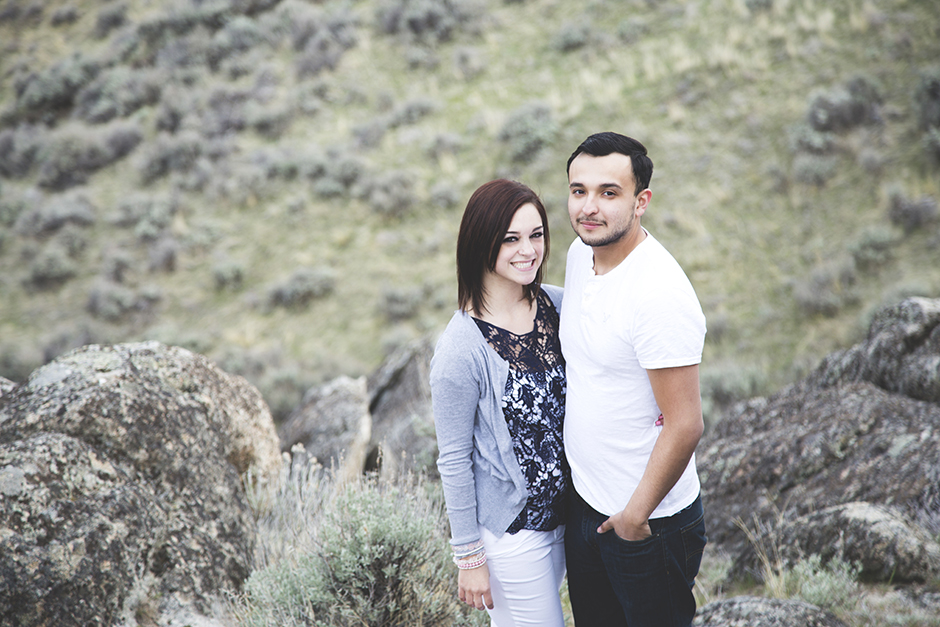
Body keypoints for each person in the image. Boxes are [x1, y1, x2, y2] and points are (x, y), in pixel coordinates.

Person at [559, 132, 708, 627]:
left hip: (647, 523)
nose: (589, 207)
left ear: (641, 201)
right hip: (586, 503)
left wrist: (634, 517)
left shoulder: (658, 294)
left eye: (609, 192)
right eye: (578, 191)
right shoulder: (580, 253)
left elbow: (685, 424)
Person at [430, 179, 568, 627]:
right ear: (481, 243)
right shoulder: (461, 349)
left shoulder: (559, 306)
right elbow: (454, 459)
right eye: (511, 239)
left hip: (574, 519)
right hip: (515, 536)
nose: (528, 250)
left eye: (536, 235)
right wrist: (469, 557)